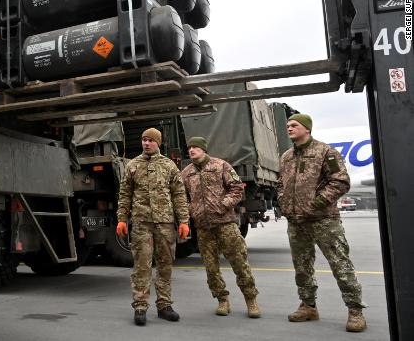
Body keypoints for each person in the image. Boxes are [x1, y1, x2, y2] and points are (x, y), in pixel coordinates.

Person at [277, 113, 366, 332]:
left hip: (323, 220)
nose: (289, 128)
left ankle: (355, 311)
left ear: (307, 128)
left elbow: (341, 181)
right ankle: (308, 306)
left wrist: (316, 203)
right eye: (288, 125)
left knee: (340, 265)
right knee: (302, 267)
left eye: (294, 125)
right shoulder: (287, 156)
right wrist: (284, 203)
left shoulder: (325, 152)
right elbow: (281, 184)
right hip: (296, 222)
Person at [116, 127, 190, 326]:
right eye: (144, 140)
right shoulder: (132, 166)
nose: (146, 143)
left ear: (158, 143)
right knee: (142, 265)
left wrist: (184, 221)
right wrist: (122, 218)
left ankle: (164, 305)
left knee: (165, 265)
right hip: (141, 223)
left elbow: (179, 195)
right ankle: (140, 307)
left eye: (150, 140)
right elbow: (125, 195)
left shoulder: (169, 166)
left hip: (165, 223)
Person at [180, 136, 260, 318]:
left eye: (195, 147)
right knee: (211, 268)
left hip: (225, 224)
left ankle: (251, 299)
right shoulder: (186, 173)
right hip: (203, 227)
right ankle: (222, 300)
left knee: (239, 262)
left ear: (204, 149)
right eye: (189, 147)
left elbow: (238, 188)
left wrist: (224, 204)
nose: (191, 150)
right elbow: (180, 196)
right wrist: (191, 210)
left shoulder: (220, 165)